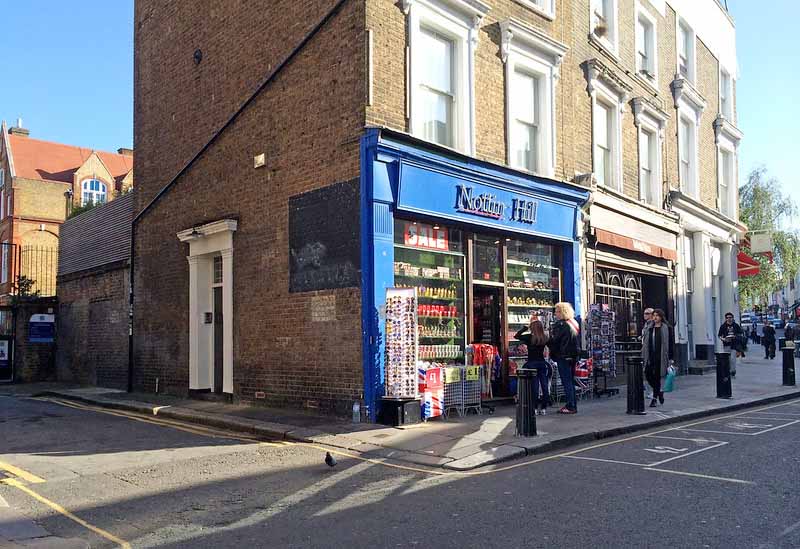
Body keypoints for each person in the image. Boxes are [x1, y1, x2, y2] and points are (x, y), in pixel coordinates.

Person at [548, 302, 580, 414]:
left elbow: (554, 342)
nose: (555, 314)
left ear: (562, 312)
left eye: (557, 311)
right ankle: (572, 404)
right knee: (570, 381)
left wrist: (546, 340)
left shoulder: (561, 325)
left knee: (566, 382)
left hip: (563, 356)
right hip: (573, 356)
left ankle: (571, 406)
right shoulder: (574, 322)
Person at [515, 318, 550, 415]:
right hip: (542, 363)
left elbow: (517, 336)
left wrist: (525, 328)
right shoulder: (544, 337)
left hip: (531, 363)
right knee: (544, 385)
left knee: (534, 386)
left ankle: (534, 407)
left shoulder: (529, 337)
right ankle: (543, 408)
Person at [641, 309, 674, 407]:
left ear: (661, 317)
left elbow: (670, 344)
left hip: (661, 356)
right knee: (647, 374)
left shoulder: (667, 328)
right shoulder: (650, 328)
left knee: (656, 377)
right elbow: (645, 341)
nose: (655, 317)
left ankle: (654, 399)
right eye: (654, 315)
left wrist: (671, 357)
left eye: (657, 316)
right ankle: (659, 391)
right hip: (650, 355)